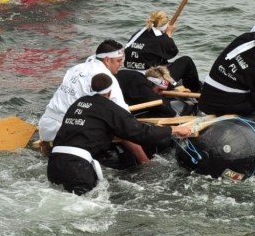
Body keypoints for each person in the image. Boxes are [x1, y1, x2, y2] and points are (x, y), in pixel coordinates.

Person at [47, 73, 195, 195]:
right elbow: (140, 132)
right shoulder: (110, 108)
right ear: (110, 92)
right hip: (78, 167)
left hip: (53, 163)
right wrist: (173, 130)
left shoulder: (77, 104)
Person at [38, 40, 130, 143]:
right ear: (107, 60)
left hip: (45, 126)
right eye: (118, 61)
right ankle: (145, 160)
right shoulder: (105, 77)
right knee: (127, 135)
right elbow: (124, 115)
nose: (121, 64)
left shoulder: (75, 68)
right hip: (69, 130)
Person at [123, 10, 201, 92]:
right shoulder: (161, 38)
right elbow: (172, 52)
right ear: (165, 26)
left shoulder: (137, 34)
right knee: (186, 61)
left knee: (162, 61)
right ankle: (196, 91)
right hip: (151, 80)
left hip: (131, 74)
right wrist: (169, 35)